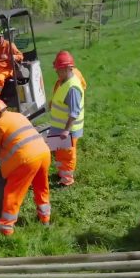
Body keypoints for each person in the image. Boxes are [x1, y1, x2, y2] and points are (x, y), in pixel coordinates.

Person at [0, 99, 51, 236]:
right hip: (43, 152)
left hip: (26, 160)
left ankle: (6, 228)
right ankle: (45, 217)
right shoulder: (19, 116)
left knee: (13, 194)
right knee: (41, 186)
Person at [50, 51, 85, 186]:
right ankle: (60, 172)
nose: (56, 73)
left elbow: (74, 112)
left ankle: (67, 180)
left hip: (67, 129)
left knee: (67, 155)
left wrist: (66, 130)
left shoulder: (72, 88)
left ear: (66, 69)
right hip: (58, 126)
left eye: (58, 70)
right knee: (59, 152)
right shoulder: (64, 81)